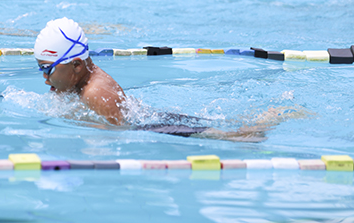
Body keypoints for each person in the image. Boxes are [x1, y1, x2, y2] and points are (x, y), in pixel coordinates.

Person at [34, 17, 303, 141]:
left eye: (47, 69)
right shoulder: (79, 77)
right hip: (148, 116)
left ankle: (274, 116)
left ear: (77, 65)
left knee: (233, 136)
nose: (45, 79)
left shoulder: (94, 93)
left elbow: (121, 133)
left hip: (151, 127)